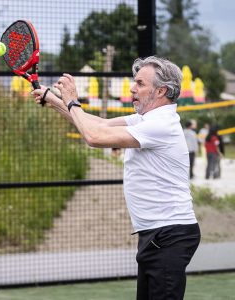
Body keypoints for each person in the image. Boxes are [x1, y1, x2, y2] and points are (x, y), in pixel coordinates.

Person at [32, 56, 200, 300]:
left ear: (161, 90)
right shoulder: (146, 119)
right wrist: (54, 100)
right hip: (158, 235)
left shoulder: (160, 124)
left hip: (169, 235)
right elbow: (98, 124)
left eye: (140, 83)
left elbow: (94, 137)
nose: (133, 87)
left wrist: (71, 101)